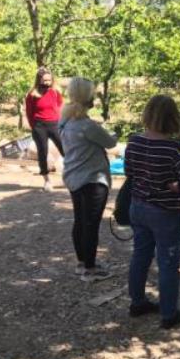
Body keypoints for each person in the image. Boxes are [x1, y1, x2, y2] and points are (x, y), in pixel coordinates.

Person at [124, 95, 180, 329]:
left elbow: (129, 172)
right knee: (167, 263)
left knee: (140, 256)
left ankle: (137, 302)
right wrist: (174, 186)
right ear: (172, 118)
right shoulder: (174, 149)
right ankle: (168, 314)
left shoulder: (133, 142)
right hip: (166, 212)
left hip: (138, 207)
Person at [59, 77, 118, 282]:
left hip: (74, 177)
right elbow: (110, 143)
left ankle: (82, 263)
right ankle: (90, 270)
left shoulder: (65, 121)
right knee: (91, 224)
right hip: (93, 180)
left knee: (80, 221)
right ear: (88, 98)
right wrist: (114, 133)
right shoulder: (87, 125)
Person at [25, 67, 65, 192]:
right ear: (39, 80)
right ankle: (47, 180)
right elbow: (29, 113)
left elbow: (60, 107)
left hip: (55, 124)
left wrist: (61, 122)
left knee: (66, 150)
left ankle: (70, 176)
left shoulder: (55, 92)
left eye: (49, 80)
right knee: (43, 153)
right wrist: (34, 127)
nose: (47, 83)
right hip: (39, 126)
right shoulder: (32, 94)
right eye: (45, 80)